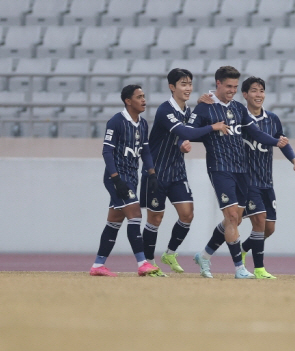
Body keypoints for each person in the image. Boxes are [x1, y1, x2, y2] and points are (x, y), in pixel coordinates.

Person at [186, 65, 289, 279]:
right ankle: (239, 268)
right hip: (220, 168)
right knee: (232, 216)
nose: (232, 90)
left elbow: (256, 133)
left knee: (234, 220)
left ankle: (204, 255)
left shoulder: (239, 109)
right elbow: (189, 132)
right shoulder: (205, 107)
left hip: (242, 171)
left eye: (235, 86)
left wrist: (277, 142)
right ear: (218, 84)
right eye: (229, 86)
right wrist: (211, 128)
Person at [140, 68, 229, 277]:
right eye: (183, 84)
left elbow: (184, 135)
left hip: (177, 171)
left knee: (187, 215)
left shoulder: (187, 111)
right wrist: (213, 127)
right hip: (156, 172)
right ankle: (149, 262)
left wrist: (182, 145)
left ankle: (170, 253)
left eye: (189, 84)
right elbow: (186, 131)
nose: (187, 88)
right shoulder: (165, 110)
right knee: (155, 219)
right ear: (172, 87)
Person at [90, 84, 161, 277]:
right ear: (128, 101)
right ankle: (142, 263)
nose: (144, 100)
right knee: (135, 214)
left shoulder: (143, 123)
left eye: (144, 96)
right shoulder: (116, 122)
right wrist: (115, 179)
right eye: (139, 97)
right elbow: (107, 151)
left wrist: (152, 173)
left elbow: (145, 151)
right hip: (117, 177)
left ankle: (98, 265)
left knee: (114, 220)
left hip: (132, 176)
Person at [239, 76, 295, 279]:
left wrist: (294, 161)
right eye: (254, 91)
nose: (258, 95)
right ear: (245, 94)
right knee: (258, 222)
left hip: (267, 181)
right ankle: (259, 269)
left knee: (269, 229)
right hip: (248, 181)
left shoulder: (272, 119)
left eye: (261, 91)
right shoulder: (241, 119)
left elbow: (282, 142)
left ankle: (242, 249)